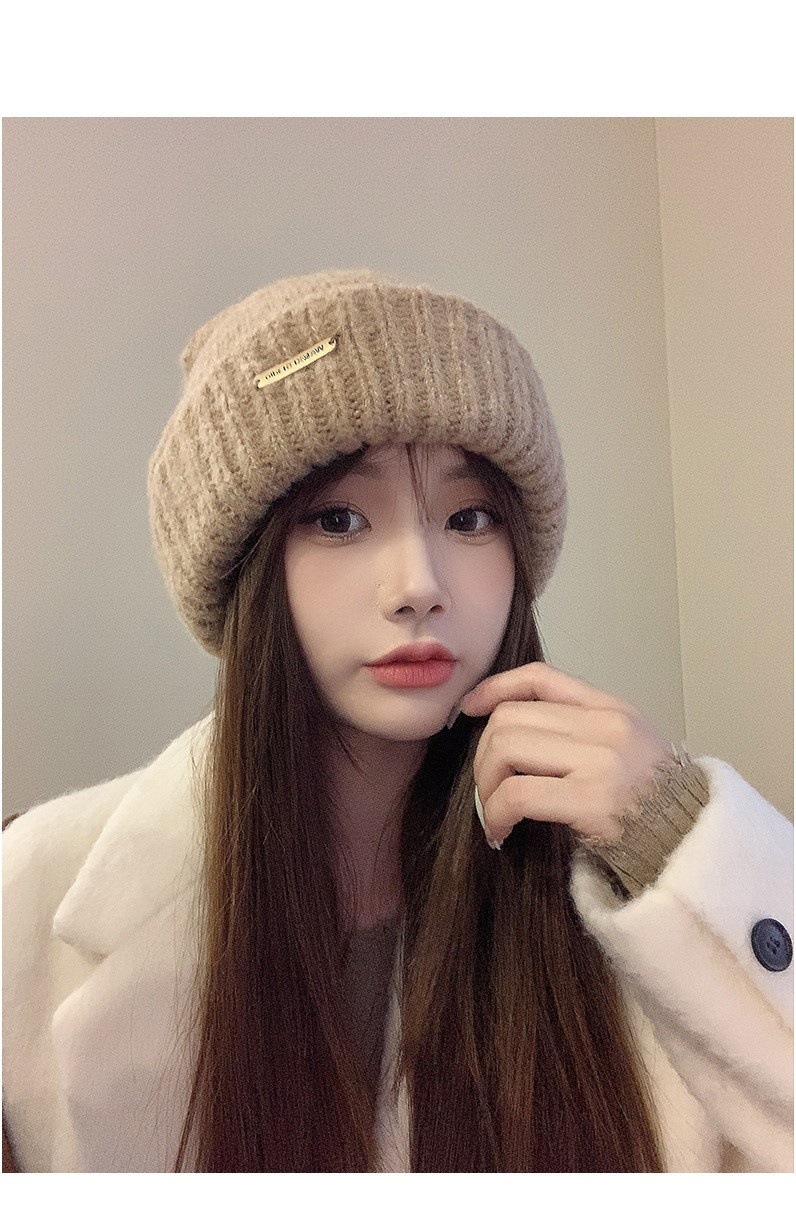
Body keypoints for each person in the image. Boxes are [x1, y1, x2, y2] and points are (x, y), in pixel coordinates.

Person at [2, 267, 792, 1173]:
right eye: (339, 520)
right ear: (245, 571)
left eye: (469, 517)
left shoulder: (635, 878)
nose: (419, 585)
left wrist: (682, 841)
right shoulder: (29, 891)